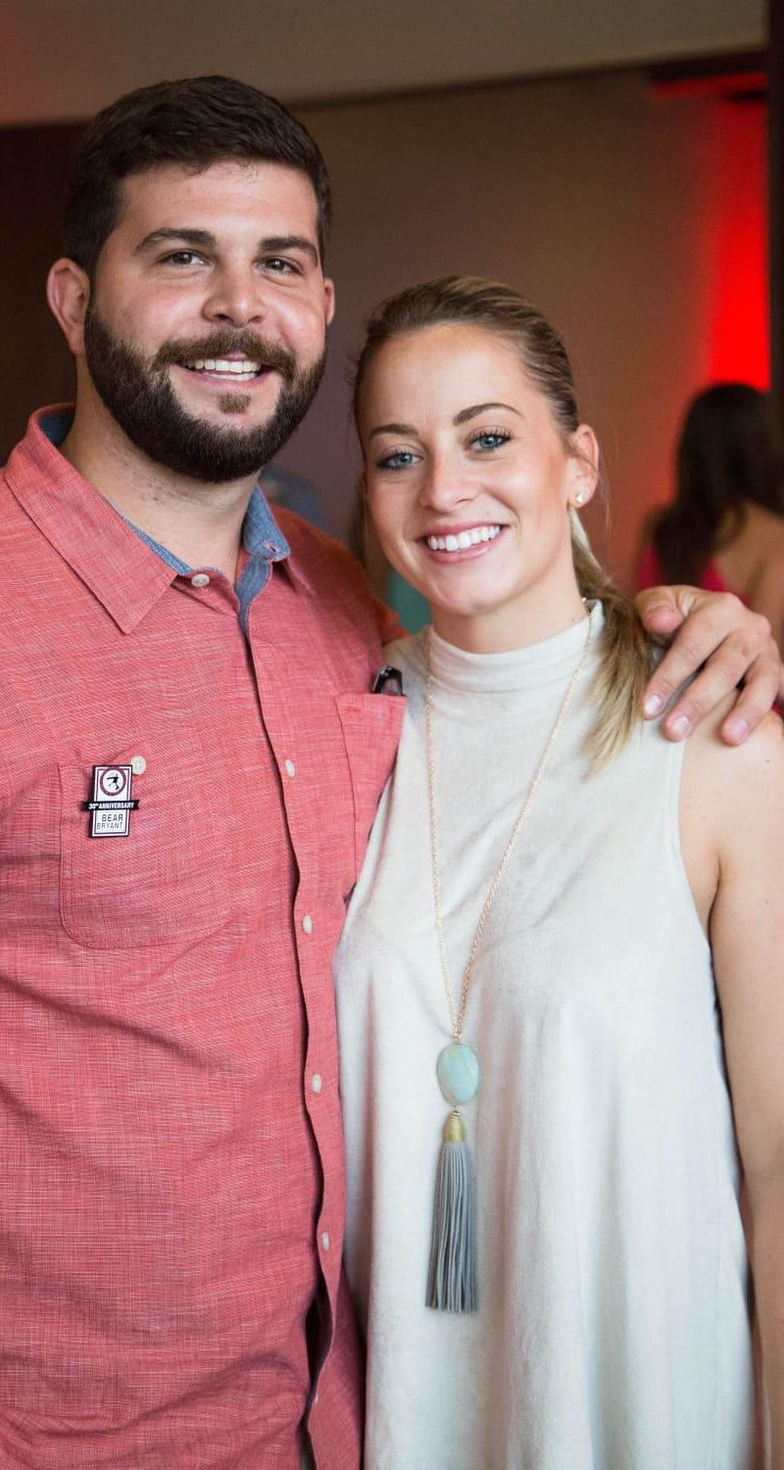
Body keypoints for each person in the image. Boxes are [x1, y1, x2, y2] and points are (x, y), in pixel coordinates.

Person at [0, 80, 777, 1470]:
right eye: (182, 255)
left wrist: (695, 625)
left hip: (349, 1426)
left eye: (280, 263)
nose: (237, 306)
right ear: (76, 300)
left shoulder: (345, 617)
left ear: (321, 304)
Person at [336, 276, 784, 1468]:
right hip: (401, 1415)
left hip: (643, 1407)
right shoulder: (341, 721)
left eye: (487, 437)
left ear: (577, 462)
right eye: (397, 455)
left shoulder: (712, 735)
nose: (444, 490)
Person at [638, 382, 784, 649]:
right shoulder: (774, 538)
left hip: (650, 686)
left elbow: (635, 626)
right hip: (726, 688)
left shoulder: (661, 528)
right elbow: (762, 659)